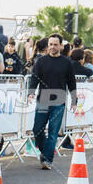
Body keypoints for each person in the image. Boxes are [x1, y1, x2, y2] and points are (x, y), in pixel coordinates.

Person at [29, 33, 77, 170]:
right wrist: (31, 93)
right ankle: (45, 152)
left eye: (55, 45)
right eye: (50, 44)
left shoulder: (66, 62)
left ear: (61, 46)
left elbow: (72, 83)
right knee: (37, 129)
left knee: (53, 132)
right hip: (42, 100)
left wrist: (74, 100)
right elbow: (34, 78)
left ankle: (47, 160)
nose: (52, 47)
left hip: (59, 103)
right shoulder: (41, 61)